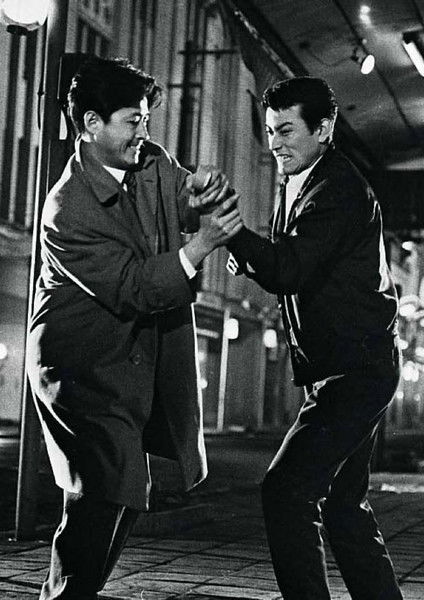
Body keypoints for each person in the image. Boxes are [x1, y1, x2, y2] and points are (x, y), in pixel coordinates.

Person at [25, 56, 240, 600]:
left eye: (145, 119)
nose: (143, 132)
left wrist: (201, 192)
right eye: (131, 121)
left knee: (123, 489)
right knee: (102, 487)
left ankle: (72, 593)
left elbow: (182, 196)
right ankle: (65, 595)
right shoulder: (68, 207)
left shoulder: (149, 161)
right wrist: (202, 245)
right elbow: (132, 287)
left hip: (128, 359)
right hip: (79, 368)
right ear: (91, 124)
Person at [214, 77, 403, 599]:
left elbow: (291, 268)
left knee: (287, 489)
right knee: (344, 504)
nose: (274, 143)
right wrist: (255, 258)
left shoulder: (336, 187)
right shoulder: (305, 179)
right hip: (351, 366)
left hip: (354, 370)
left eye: (287, 130)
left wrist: (234, 234)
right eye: (270, 130)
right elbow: (294, 263)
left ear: (324, 129)